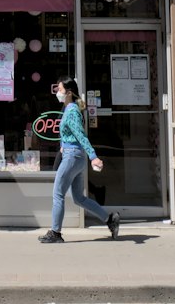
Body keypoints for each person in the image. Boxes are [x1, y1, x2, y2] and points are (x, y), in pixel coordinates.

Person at [39, 77, 120, 243]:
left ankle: (55, 232)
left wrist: (93, 156)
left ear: (69, 92)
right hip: (74, 156)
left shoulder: (72, 111)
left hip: (72, 157)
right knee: (79, 198)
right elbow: (69, 133)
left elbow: (81, 135)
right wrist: (63, 144)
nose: (57, 93)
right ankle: (110, 219)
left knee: (58, 194)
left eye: (60, 90)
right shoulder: (69, 108)